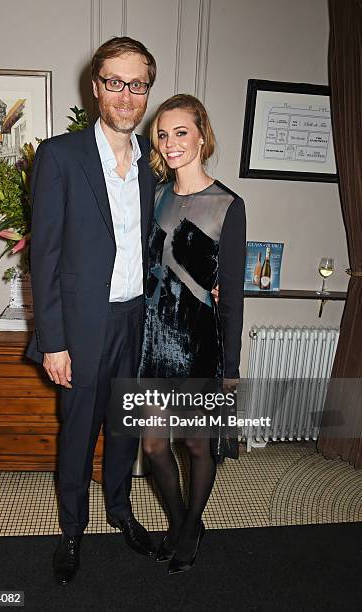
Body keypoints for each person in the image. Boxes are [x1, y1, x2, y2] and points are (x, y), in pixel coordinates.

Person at [26, 36, 158, 585]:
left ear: (146, 90)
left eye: (138, 84)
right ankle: (73, 532)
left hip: (136, 322)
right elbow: (45, 255)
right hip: (82, 327)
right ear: (96, 87)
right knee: (78, 435)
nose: (126, 95)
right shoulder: (60, 156)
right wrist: (53, 341)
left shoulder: (154, 163)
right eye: (115, 83)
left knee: (125, 428)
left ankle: (122, 513)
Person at [138, 94, 246, 574]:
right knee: (155, 445)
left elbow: (235, 296)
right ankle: (185, 523)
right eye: (163, 134)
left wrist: (230, 370)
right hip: (153, 341)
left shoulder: (228, 204)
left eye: (180, 132)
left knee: (199, 445)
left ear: (202, 134)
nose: (170, 142)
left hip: (200, 343)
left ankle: (190, 527)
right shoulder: (156, 193)